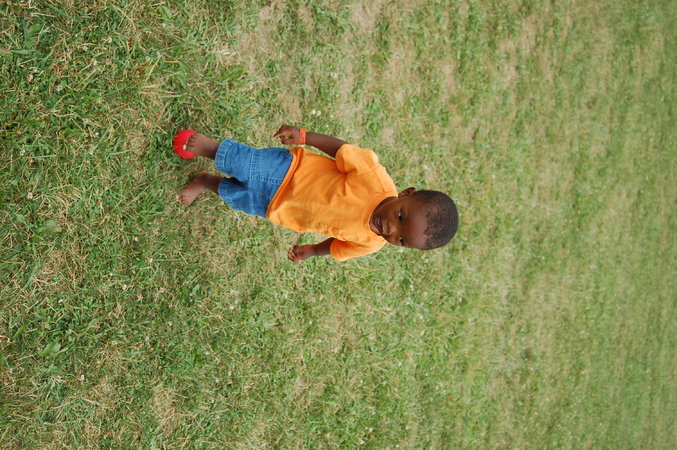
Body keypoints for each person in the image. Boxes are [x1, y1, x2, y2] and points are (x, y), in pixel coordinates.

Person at [176, 125, 458, 262]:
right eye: (400, 216)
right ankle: (210, 148)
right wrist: (305, 137)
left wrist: (312, 250)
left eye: (401, 239)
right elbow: (342, 150)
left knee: (239, 196)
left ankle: (206, 181)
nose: (391, 229)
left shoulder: (370, 244)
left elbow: (337, 245)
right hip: (288, 171)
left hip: (280, 210)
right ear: (406, 193)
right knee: (246, 164)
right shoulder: (374, 179)